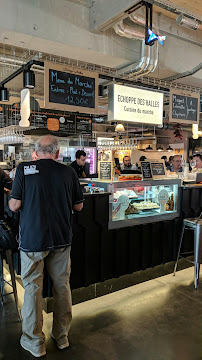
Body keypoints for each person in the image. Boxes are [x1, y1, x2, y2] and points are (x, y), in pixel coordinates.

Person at [9, 135, 84, 358]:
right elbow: (78, 206)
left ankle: (34, 342)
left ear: (36, 151)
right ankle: (61, 337)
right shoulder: (68, 172)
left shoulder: (24, 169)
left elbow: (14, 205)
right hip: (61, 238)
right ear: (57, 153)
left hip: (33, 239)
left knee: (32, 287)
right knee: (62, 286)